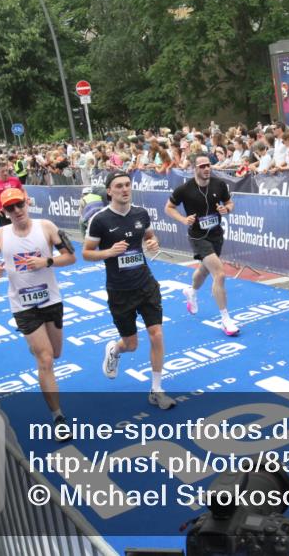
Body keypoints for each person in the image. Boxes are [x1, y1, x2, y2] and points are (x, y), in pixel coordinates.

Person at [0, 188, 76, 441]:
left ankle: (37, 344)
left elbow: (70, 257)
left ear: (27, 203)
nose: (16, 211)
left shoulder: (46, 227)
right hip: (22, 305)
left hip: (51, 300)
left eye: (19, 205)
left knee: (55, 353)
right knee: (45, 360)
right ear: (4, 212)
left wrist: (47, 262)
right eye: (10, 208)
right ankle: (58, 418)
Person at [84, 171, 174, 409]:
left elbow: (150, 237)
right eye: (119, 186)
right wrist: (108, 252)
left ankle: (156, 390)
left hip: (145, 284)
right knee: (131, 345)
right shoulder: (100, 220)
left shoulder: (141, 213)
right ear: (109, 191)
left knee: (156, 334)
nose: (125, 189)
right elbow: (87, 253)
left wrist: (153, 243)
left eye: (127, 185)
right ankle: (115, 349)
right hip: (120, 290)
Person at [164, 155, 240, 336]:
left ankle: (191, 291)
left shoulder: (219, 184)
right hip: (198, 237)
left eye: (208, 165)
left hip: (216, 234)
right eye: (202, 166)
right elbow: (168, 208)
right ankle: (226, 320)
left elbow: (229, 203)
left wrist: (227, 209)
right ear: (194, 168)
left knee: (204, 270)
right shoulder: (184, 189)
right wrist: (183, 219)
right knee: (219, 274)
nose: (206, 169)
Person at [0, 162, 24, 228]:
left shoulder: (15, 180)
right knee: (6, 232)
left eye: (6, 170)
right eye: (2, 171)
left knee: (20, 229)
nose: (5, 173)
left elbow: (23, 191)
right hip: (2, 212)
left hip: (15, 210)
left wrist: (26, 199)